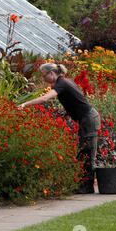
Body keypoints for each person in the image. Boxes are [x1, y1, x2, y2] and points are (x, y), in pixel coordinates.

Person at [18, 63, 101, 194]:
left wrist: (24, 104)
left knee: (87, 153)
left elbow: (45, 98)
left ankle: (87, 187)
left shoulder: (61, 83)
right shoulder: (65, 81)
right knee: (84, 152)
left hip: (89, 119)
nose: (43, 79)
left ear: (52, 73)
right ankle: (84, 186)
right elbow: (74, 100)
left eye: (44, 76)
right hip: (88, 118)